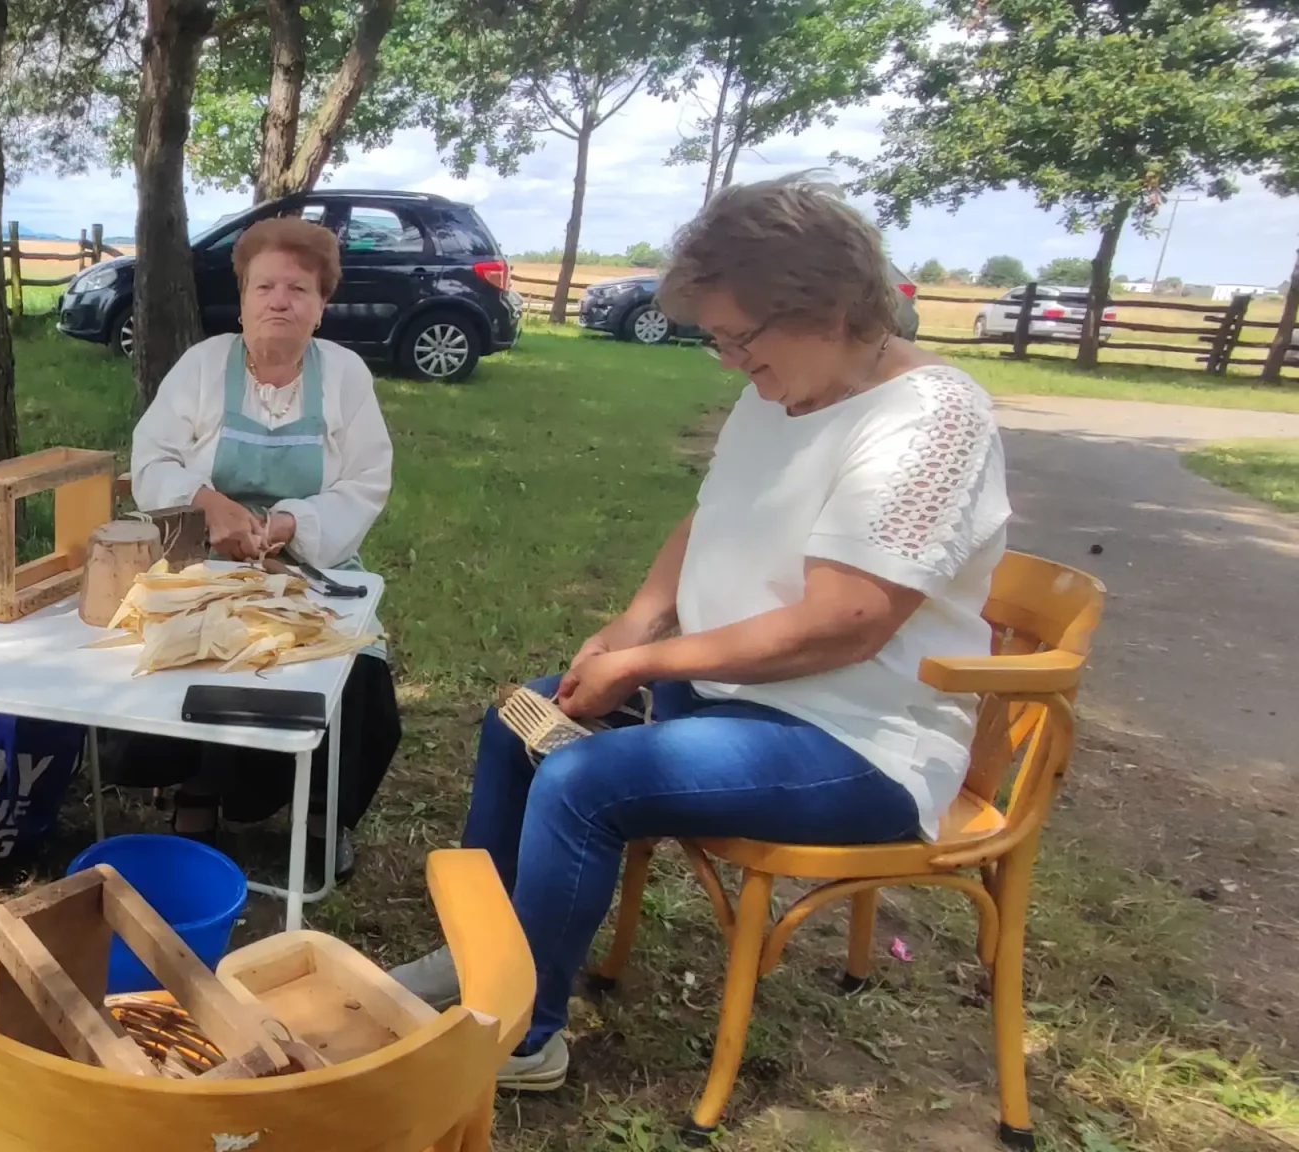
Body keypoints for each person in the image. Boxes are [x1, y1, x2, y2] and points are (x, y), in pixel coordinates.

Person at [387, 174, 1012, 1093]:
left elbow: (843, 625)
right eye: (717, 339)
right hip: (724, 697)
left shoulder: (930, 418)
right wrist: (637, 621)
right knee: (521, 721)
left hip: (855, 741)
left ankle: (522, 1032)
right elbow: (709, 518)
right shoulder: (781, 389)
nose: (727, 360)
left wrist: (648, 661)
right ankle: (480, 952)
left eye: (739, 337)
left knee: (583, 779)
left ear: (828, 306)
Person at [110, 215, 401, 881]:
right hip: (206, 563)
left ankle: (325, 814)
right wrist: (210, 505)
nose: (280, 302)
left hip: (314, 567)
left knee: (358, 676)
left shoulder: (346, 376)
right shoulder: (203, 367)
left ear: (322, 306)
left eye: (299, 289)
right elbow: (151, 461)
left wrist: (292, 523)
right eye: (264, 286)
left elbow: (365, 482)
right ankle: (197, 792)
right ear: (241, 299)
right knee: (199, 655)